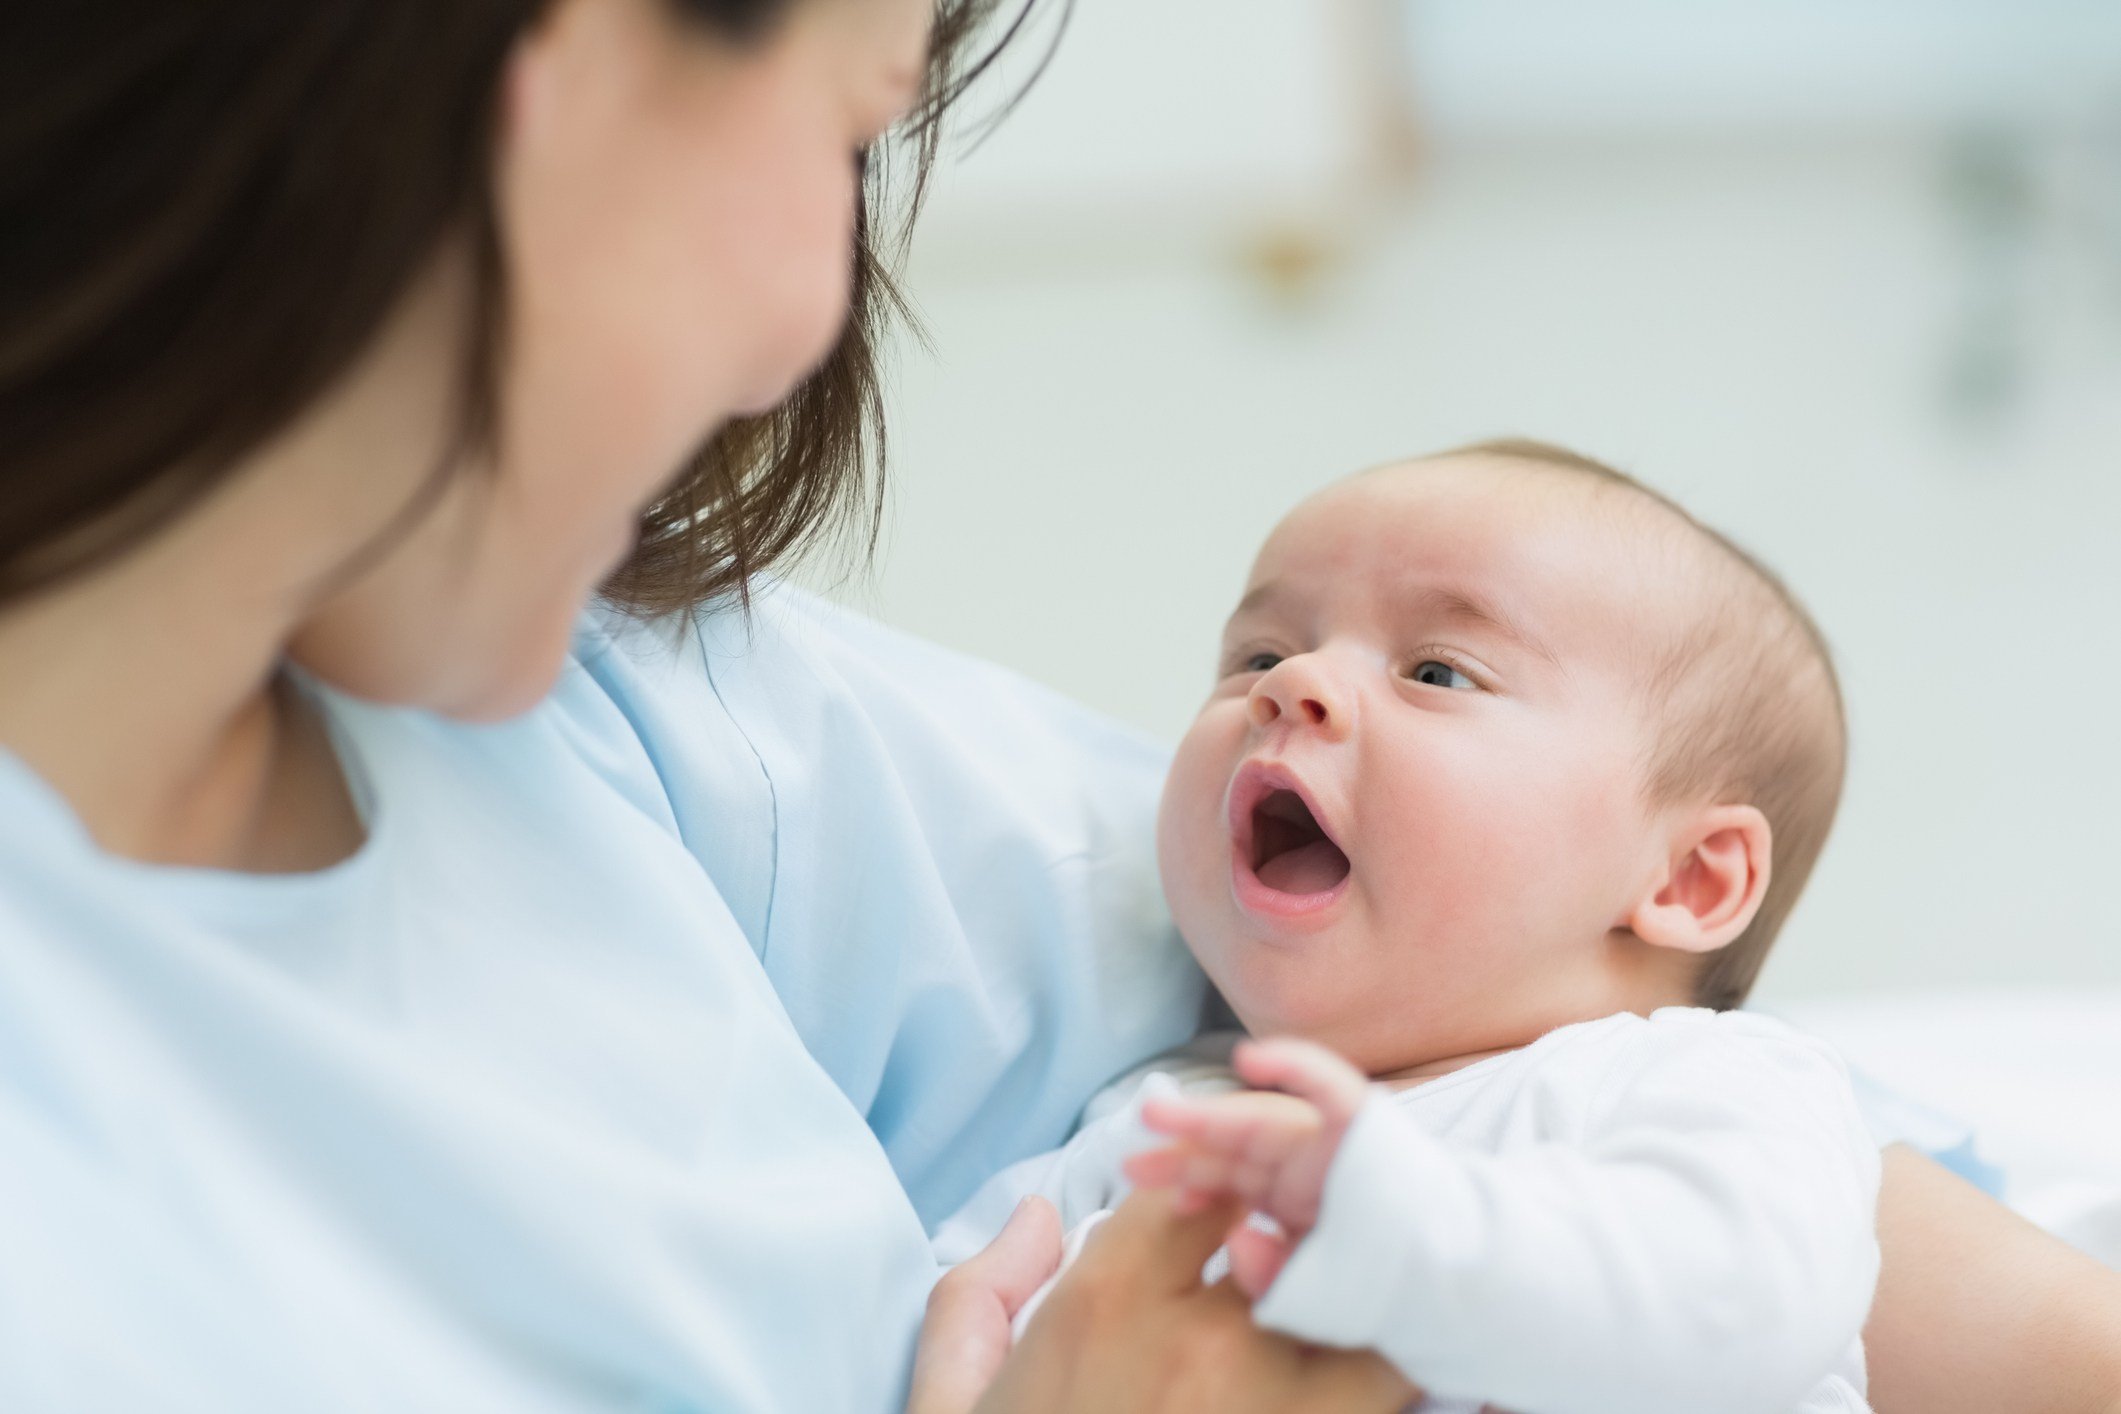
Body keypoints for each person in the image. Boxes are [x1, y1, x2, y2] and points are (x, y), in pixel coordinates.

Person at [0, 3, 2113, 1412]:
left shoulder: (602, 709)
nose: (811, 316)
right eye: (844, 135)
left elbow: (1761, 1183)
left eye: (1437, 665)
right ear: (561, 81)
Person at [937, 443, 1879, 1412]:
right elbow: (944, 1317)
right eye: (1258, 654)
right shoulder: (1155, 1118)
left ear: (1686, 878)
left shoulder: (1703, 1083)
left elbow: (1739, 1303)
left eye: (1438, 670)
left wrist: (1405, 1241)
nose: (1291, 681)